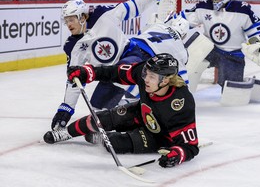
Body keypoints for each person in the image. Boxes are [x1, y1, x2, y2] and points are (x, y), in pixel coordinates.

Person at [51, 0, 178, 131]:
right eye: (66, 21)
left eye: (71, 19)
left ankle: (162, 115)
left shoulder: (102, 15)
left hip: (134, 57)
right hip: (110, 74)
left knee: (124, 73)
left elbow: (132, 6)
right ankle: (129, 120)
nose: (69, 24)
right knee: (98, 109)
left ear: (82, 17)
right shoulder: (72, 46)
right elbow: (75, 80)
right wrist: (65, 109)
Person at [44, 53, 199, 168]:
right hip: (141, 114)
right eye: (146, 73)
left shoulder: (181, 103)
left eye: (151, 77)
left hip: (159, 136)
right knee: (99, 119)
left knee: (114, 143)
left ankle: (102, 138)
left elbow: (191, 146)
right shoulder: (144, 73)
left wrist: (176, 155)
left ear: (165, 80)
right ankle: (65, 133)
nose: (145, 78)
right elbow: (116, 73)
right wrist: (89, 72)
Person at [174, 0, 260, 103]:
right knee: (190, 64)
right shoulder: (204, 6)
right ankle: (183, 93)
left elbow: (257, 31)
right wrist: (175, 26)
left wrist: (256, 44)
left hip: (233, 54)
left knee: (232, 97)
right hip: (209, 49)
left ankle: (243, 85)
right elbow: (184, 19)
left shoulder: (242, 9)